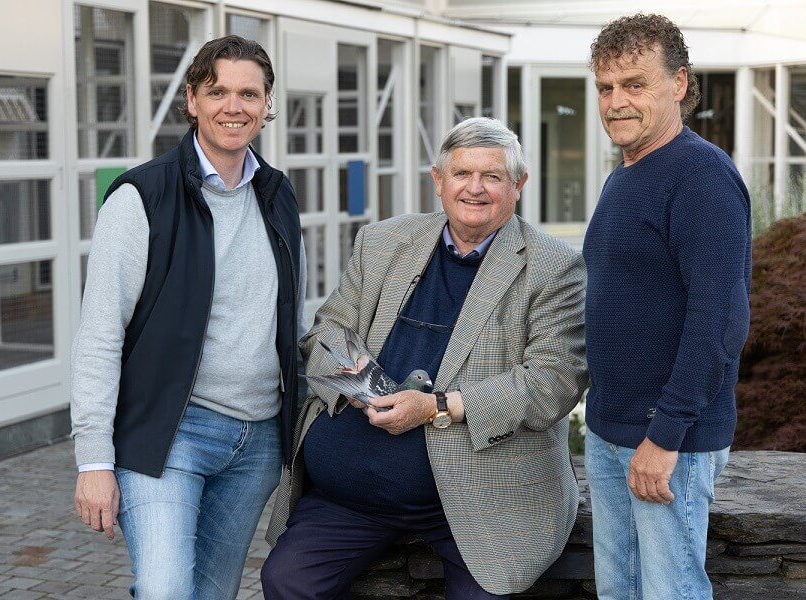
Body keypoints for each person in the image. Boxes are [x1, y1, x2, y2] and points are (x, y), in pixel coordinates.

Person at [261, 117, 587, 599]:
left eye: (492, 176)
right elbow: (328, 330)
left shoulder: (553, 267)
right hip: (349, 496)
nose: (474, 188)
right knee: (285, 581)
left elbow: (552, 381)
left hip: (477, 500)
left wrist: (436, 407)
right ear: (438, 180)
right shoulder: (384, 241)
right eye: (462, 174)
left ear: (518, 185)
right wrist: (358, 383)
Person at [70, 35, 306, 599]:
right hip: (169, 435)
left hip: (257, 443)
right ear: (192, 100)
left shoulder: (278, 195)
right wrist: (93, 460)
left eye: (249, 93)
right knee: (166, 589)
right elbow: (100, 334)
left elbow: (288, 321)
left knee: (213, 593)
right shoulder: (141, 197)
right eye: (218, 91)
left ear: (267, 104)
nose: (234, 106)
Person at [584, 14, 751, 599]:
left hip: (667, 440)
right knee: (619, 593)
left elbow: (720, 321)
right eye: (605, 87)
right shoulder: (625, 175)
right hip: (611, 430)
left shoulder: (700, 176)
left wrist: (666, 434)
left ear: (678, 83)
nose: (616, 102)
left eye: (635, 84)